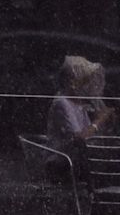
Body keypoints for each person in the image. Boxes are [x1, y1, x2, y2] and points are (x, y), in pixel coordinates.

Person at [46, 55, 115, 184]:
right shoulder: (62, 103)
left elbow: (90, 138)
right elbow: (79, 138)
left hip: (80, 161)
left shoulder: (80, 103)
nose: (89, 85)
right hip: (64, 163)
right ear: (73, 82)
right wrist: (99, 120)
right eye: (85, 81)